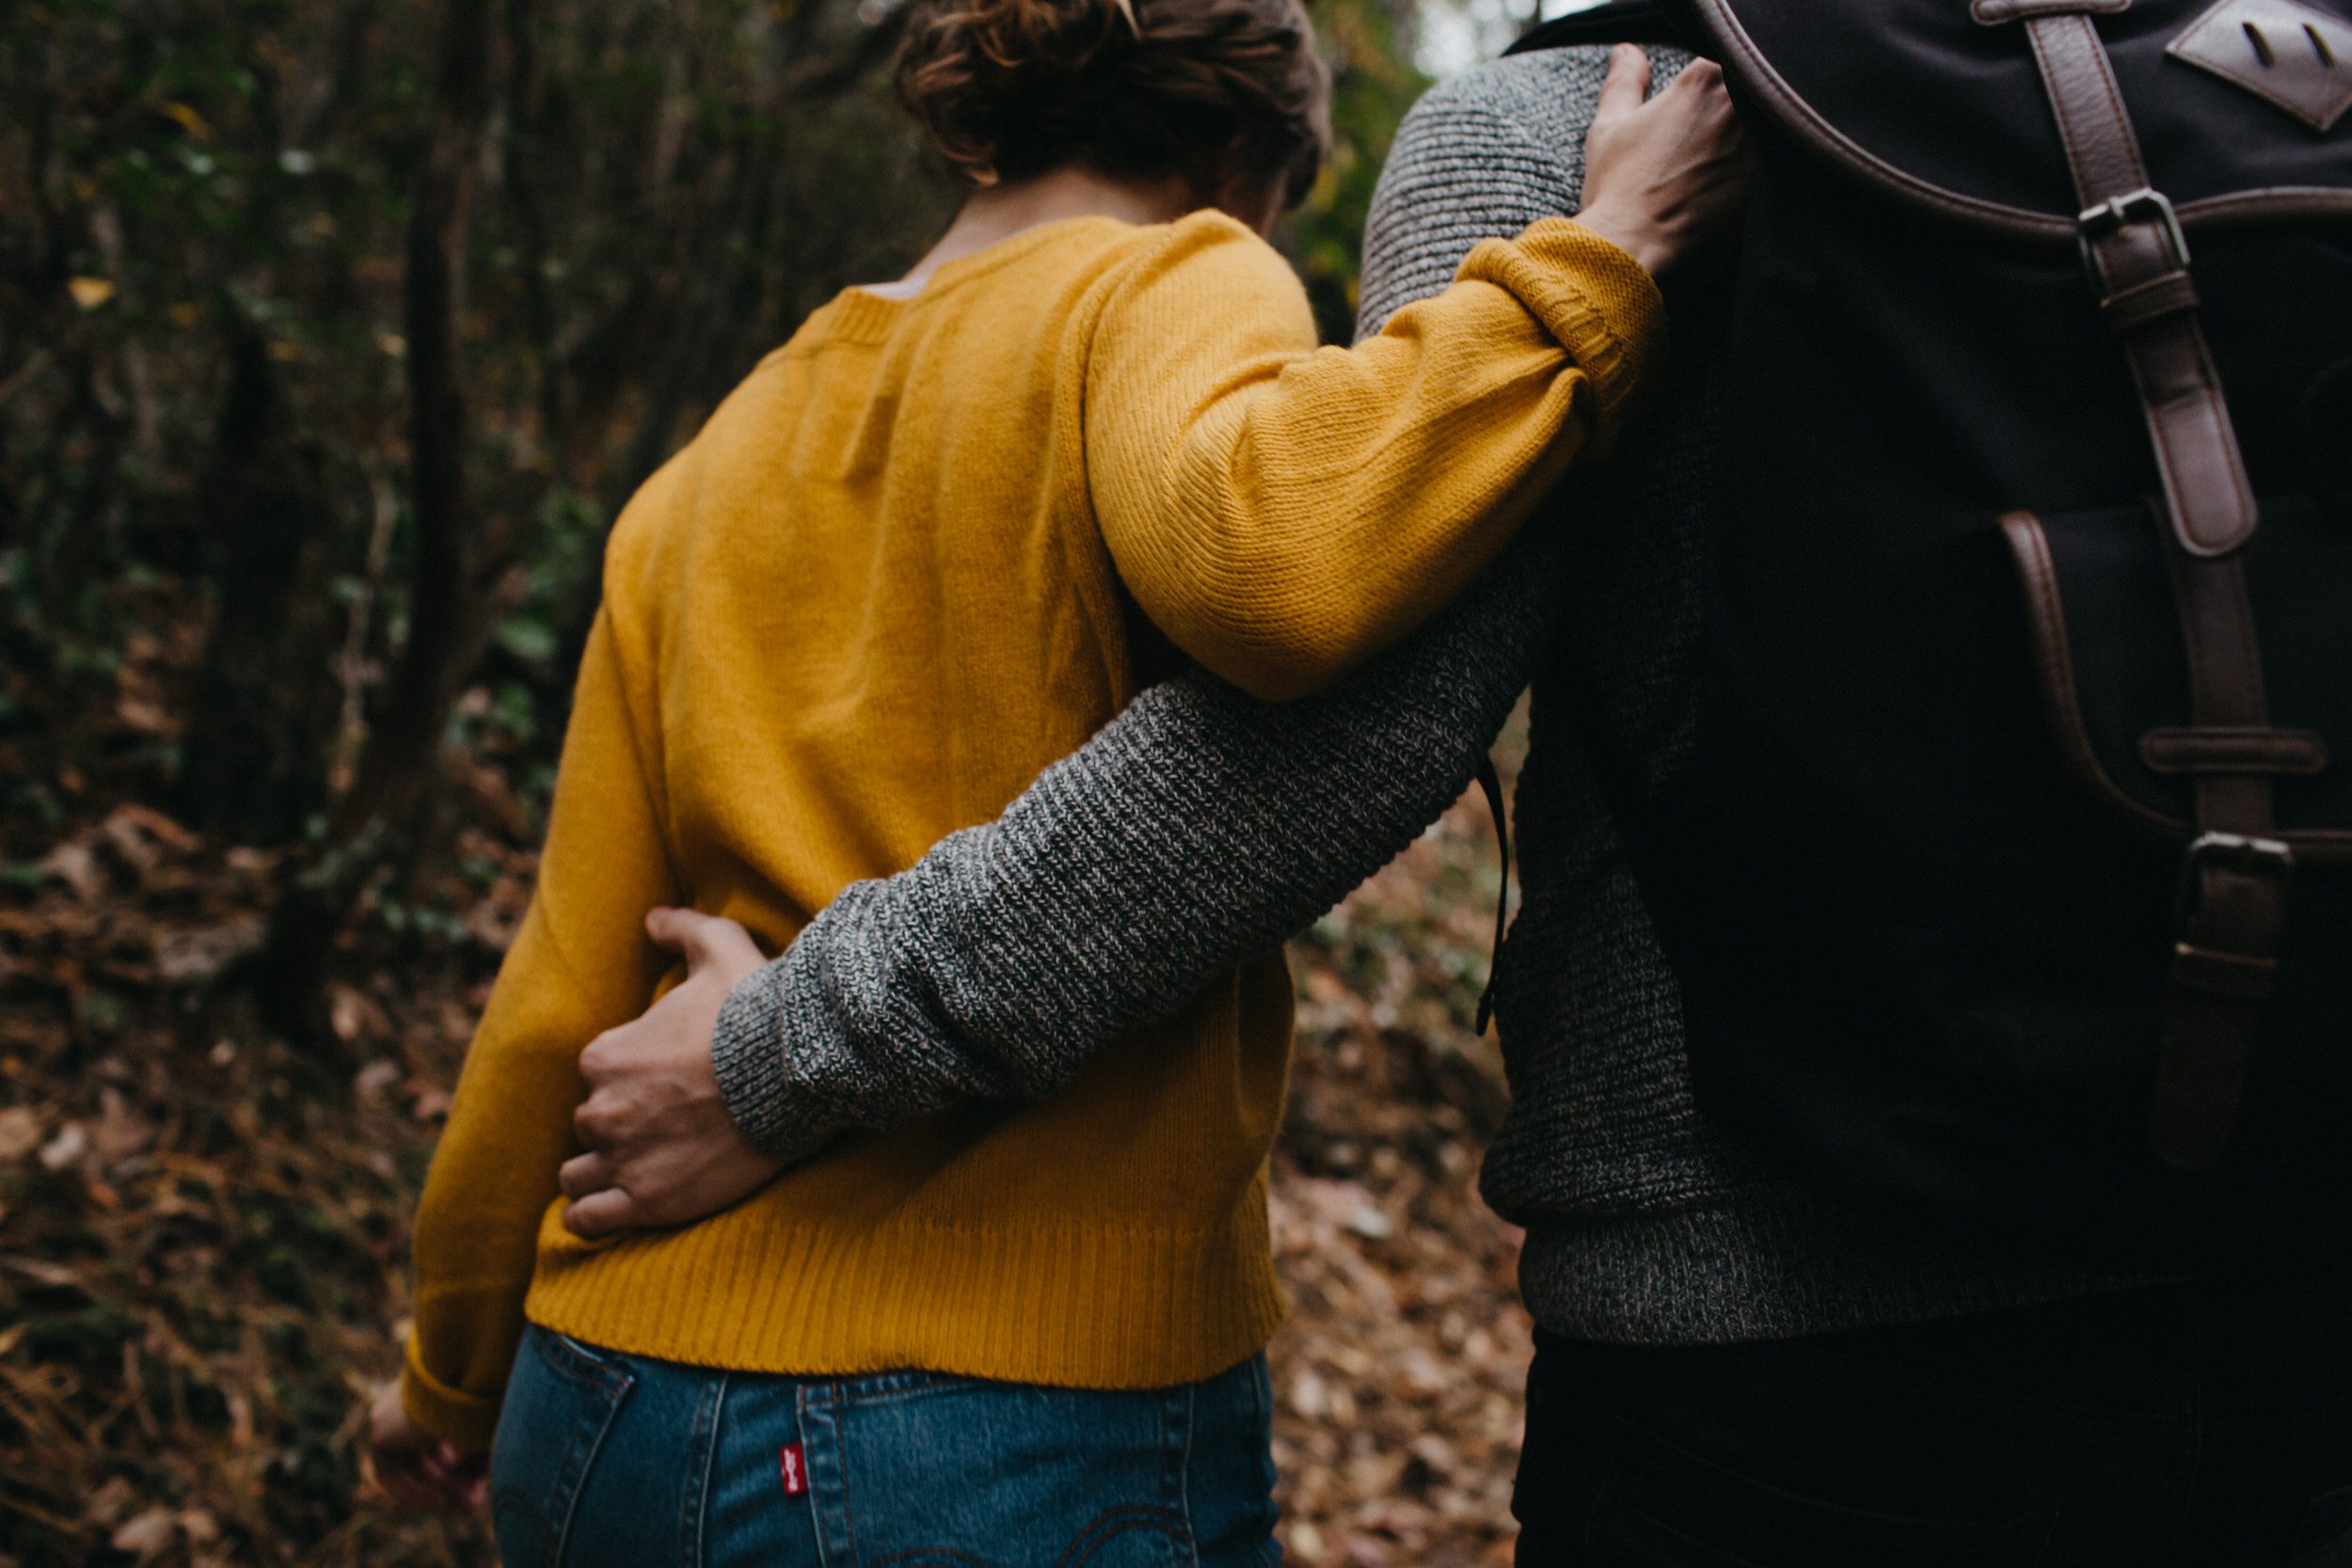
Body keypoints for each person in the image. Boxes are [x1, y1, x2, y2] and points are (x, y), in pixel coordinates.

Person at [561, 34, 2352, 1568]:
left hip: (1761, 1334)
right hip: (2291, 1279)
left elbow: (1321, 716)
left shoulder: (1583, 119)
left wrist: (752, 1074)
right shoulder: (2293, 109)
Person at [363, 0, 1749, 1556]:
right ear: (1246, 154)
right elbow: (1277, 562)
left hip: (595, 1397)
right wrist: (1596, 261)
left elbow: (561, 992)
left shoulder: (714, 455)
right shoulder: (1176, 276)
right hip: (976, 1428)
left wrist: (446, 1373)